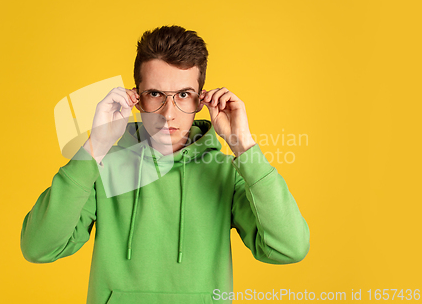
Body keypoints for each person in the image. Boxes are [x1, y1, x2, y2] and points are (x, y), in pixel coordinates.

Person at [20, 25, 310, 304]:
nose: (168, 114)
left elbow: (289, 248)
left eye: (183, 95)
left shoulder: (226, 173)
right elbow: (38, 247)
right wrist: (95, 145)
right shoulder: (102, 168)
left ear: (200, 101)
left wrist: (243, 144)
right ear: (137, 98)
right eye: (155, 94)